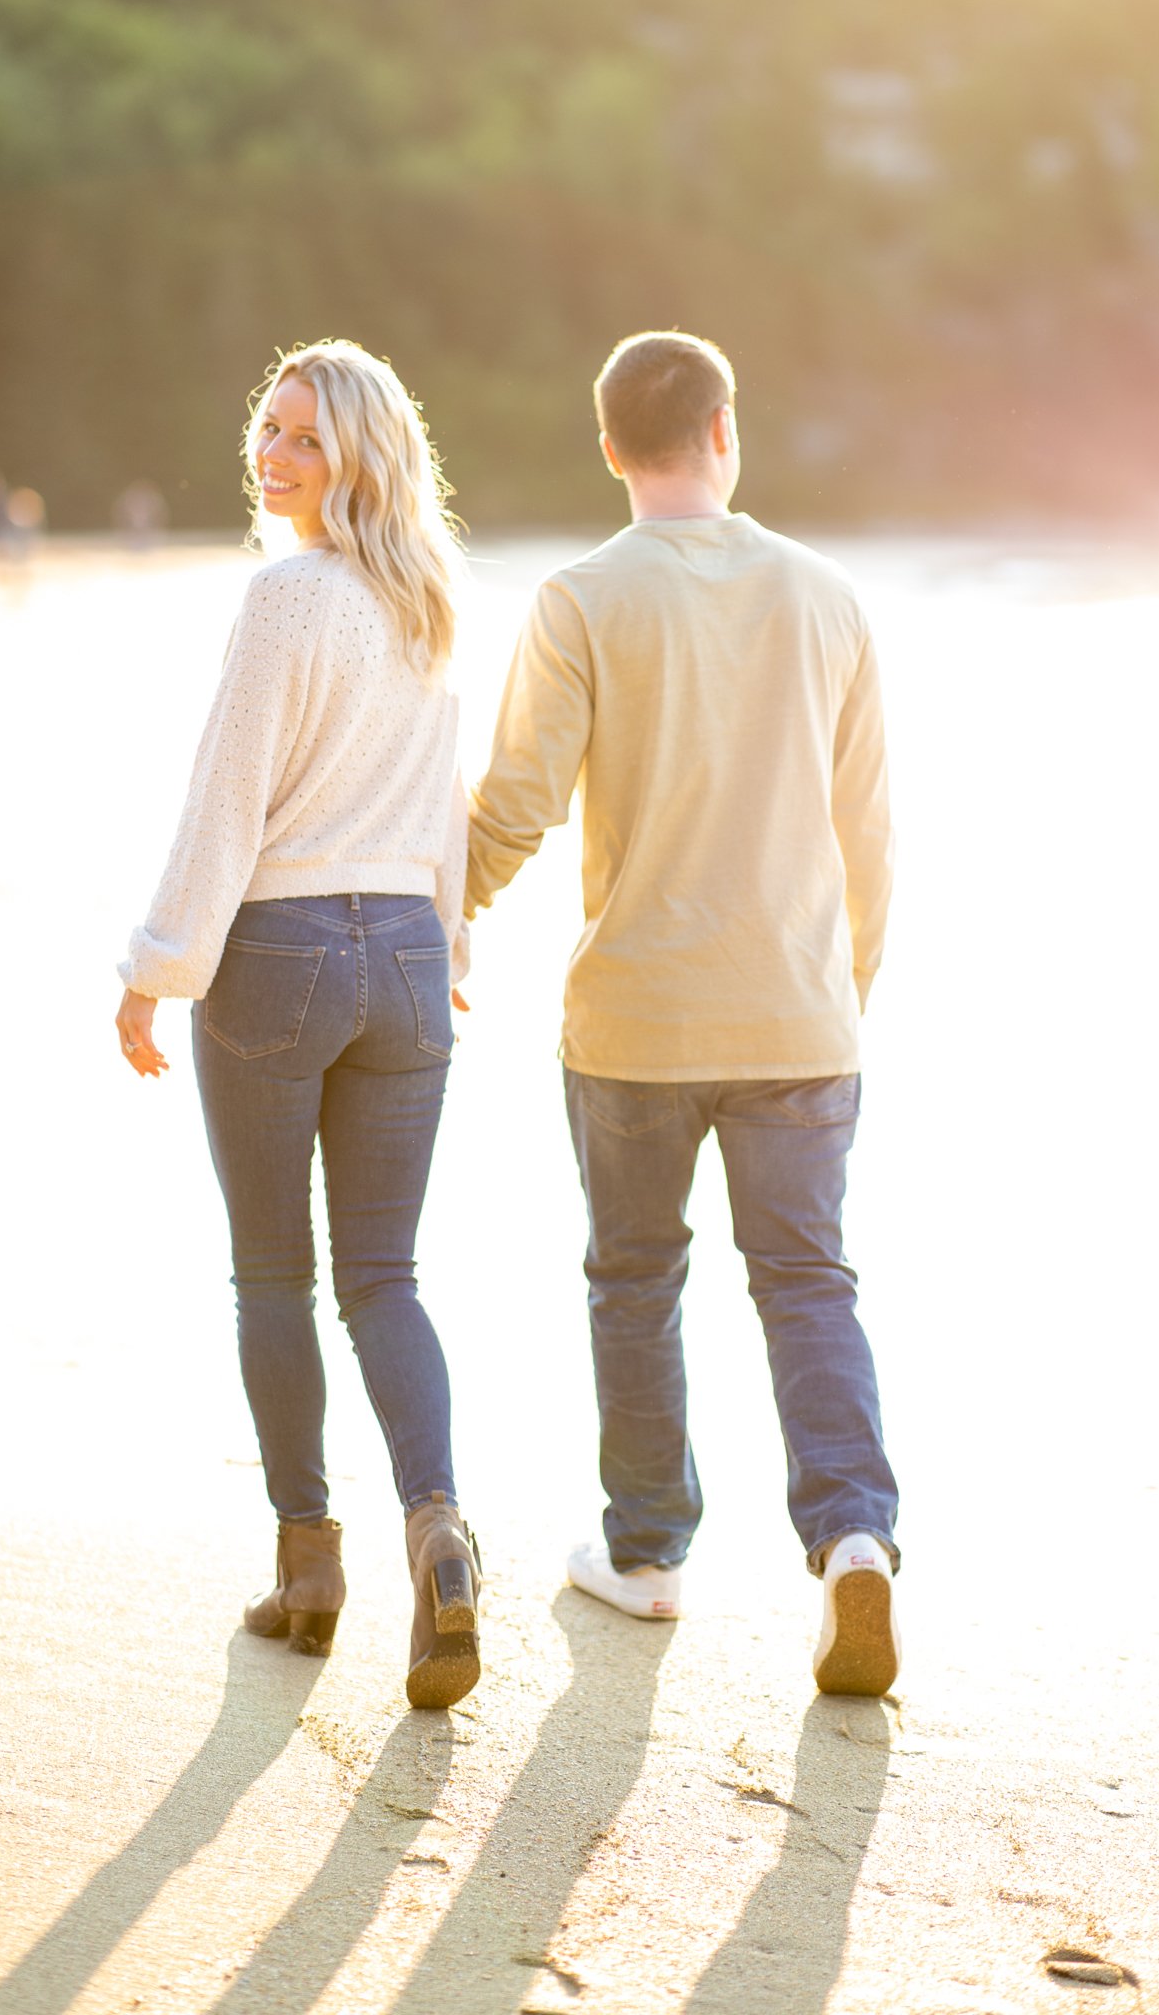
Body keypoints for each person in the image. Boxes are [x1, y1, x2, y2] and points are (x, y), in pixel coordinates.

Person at [465, 330, 900, 1697]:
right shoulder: (828, 597)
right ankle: (852, 1541)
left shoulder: (582, 598)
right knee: (808, 1283)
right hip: (798, 1017)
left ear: (610, 450)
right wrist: (847, 990)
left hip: (636, 1024)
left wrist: (438, 913)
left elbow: (516, 806)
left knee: (636, 1281)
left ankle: (648, 1556)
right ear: (726, 428)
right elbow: (867, 832)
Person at [115, 340, 483, 1710]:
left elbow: (229, 796)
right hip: (399, 954)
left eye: (306, 440)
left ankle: (310, 1566)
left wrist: (158, 965)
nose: (272, 457)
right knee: (384, 1276)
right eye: (266, 428)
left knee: (275, 1276)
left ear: (363, 457)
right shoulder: (431, 602)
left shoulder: (287, 599)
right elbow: (445, 799)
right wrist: (448, 943)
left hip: (278, 952)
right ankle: (438, 1530)